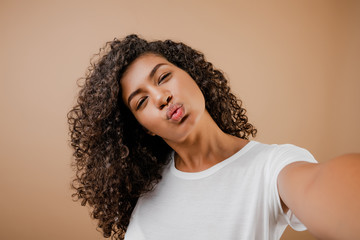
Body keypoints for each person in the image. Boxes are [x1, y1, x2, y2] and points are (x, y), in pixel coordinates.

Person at [68, 34, 360, 240]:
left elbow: (324, 188)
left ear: (191, 74)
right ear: (144, 127)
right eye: (141, 102)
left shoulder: (270, 167)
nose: (160, 97)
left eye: (163, 77)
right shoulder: (146, 187)